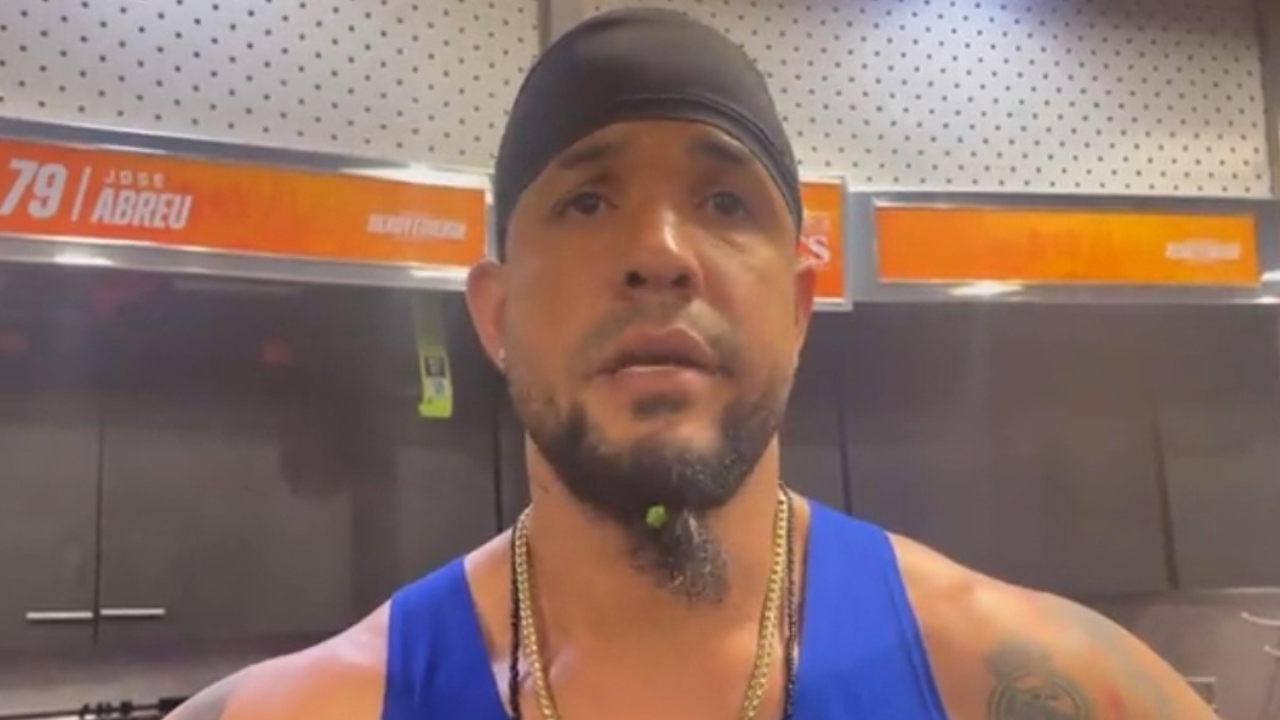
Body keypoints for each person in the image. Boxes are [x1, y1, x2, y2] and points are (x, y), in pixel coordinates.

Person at [166, 8, 1219, 720]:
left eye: (723, 201)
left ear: (798, 308)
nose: (660, 255)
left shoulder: (1040, 687)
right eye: (586, 200)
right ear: (496, 314)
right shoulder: (306, 709)